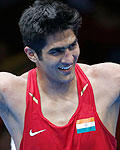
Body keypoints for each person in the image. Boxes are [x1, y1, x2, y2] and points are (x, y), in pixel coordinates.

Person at [0, 0, 120, 150]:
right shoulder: (10, 91)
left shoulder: (109, 79)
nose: (69, 59)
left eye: (72, 46)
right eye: (56, 52)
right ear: (31, 54)